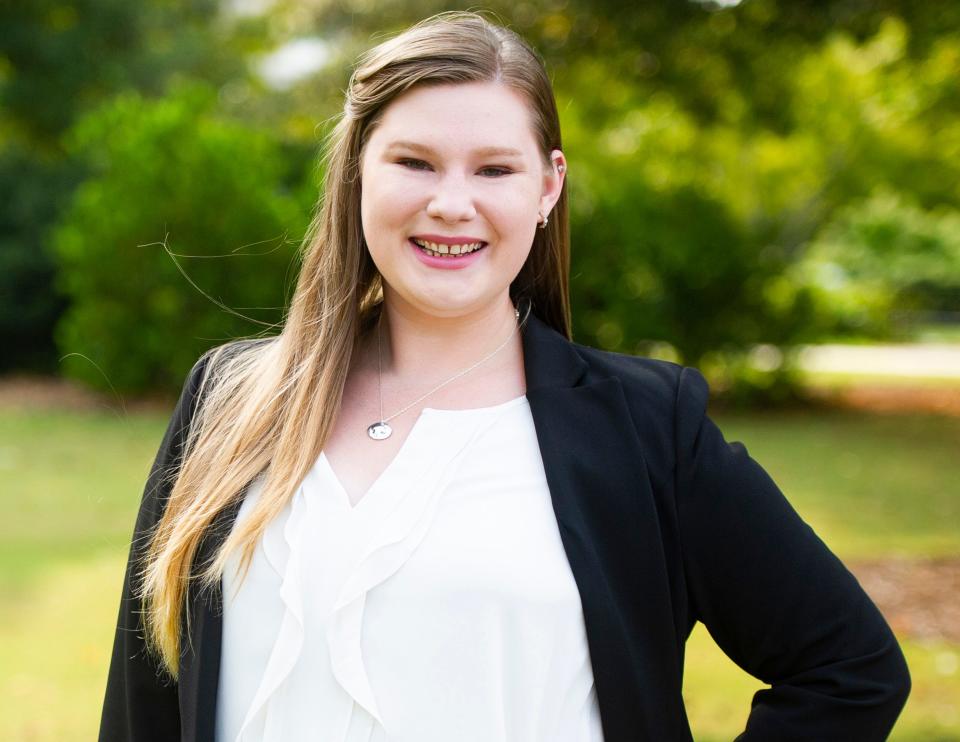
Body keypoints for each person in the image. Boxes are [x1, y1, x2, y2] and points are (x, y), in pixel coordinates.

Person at [98, 11, 910, 742]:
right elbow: (144, 704)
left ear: (548, 186)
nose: (453, 204)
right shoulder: (229, 399)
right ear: (355, 172)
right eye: (415, 162)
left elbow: (851, 670)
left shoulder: (644, 427)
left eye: (494, 170)